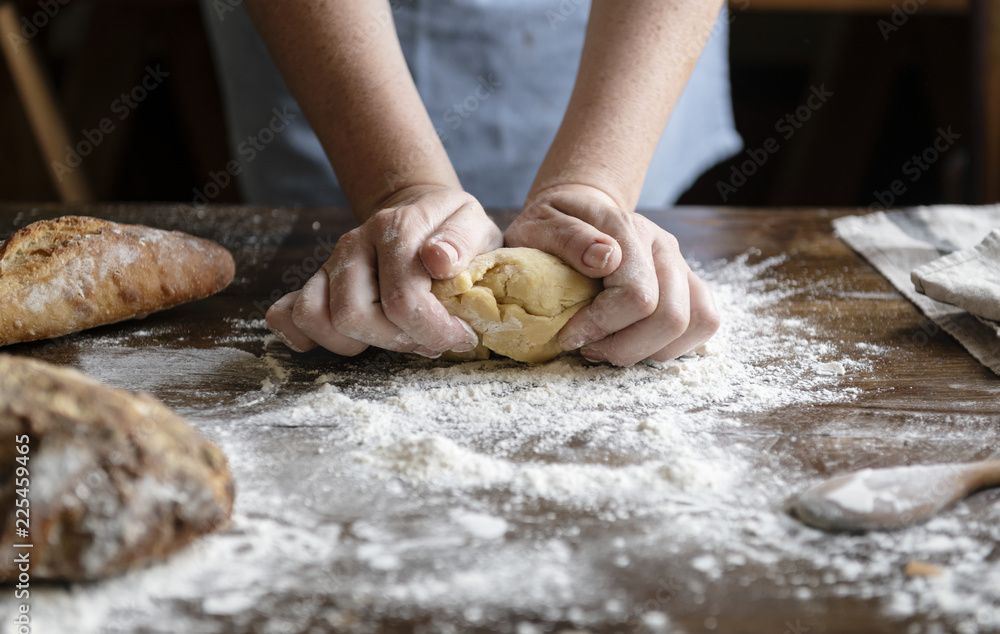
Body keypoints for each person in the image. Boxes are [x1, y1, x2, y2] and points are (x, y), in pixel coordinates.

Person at [200, 0, 741, 366]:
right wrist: (396, 187)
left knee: (615, 273)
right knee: (374, 281)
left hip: (621, 46)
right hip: (340, 43)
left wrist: (599, 183)